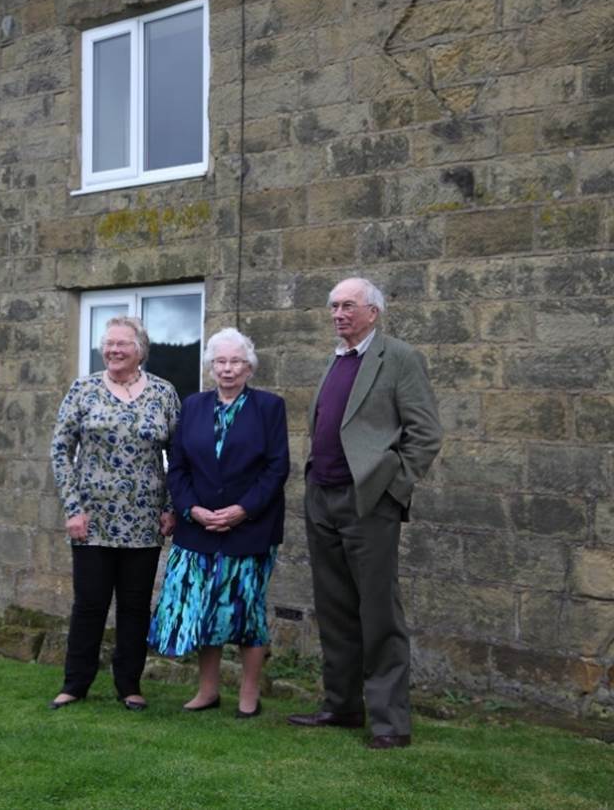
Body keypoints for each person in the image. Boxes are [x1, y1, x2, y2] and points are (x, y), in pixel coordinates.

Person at [287, 277, 442, 749]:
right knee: (334, 608)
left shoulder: (399, 358)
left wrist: (391, 488)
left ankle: (390, 722)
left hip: (368, 501)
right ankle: (342, 705)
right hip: (323, 497)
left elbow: (426, 434)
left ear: (373, 311)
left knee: (378, 611)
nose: (338, 314)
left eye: (348, 306)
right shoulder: (337, 359)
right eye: (333, 306)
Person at [148, 327, 289, 718]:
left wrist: (243, 510)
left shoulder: (269, 407)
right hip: (198, 528)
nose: (228, 369)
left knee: (247, 612)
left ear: (249, 368)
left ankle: (249, 693)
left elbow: (277, 468)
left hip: (251, 528)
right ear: (211, 367)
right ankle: (207, 690)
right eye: (221, 362)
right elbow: (176, 467)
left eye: (236, 362)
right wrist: (191, 509)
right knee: (203, 609)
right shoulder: (191, 406)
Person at [49, 316, 180, 711]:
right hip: (92, 520)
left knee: (136, 605)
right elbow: (60, 450)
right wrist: (73, 508)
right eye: (108, 344)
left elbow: (179, 455)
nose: (114, 350)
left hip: (144, 520)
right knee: (89, 604)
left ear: (140, 349)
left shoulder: (163, 392)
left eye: (122, 344)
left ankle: (129, 685)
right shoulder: (83, 389)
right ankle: (75, 683)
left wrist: (171, 507)